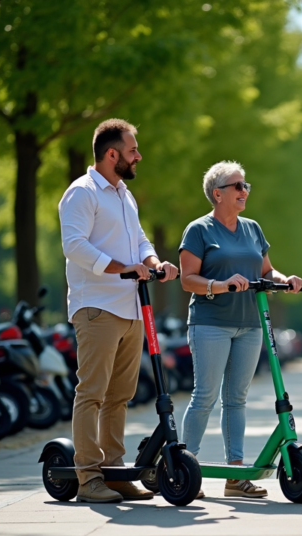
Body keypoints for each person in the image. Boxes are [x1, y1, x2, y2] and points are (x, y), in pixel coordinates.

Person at [59, 119, 179, 504]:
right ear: (112, 154)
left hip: (130, 306)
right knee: (91, 393)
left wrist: (153, 260)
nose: (137, 155)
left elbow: (140, 239)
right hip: (97, 306)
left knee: (120, 396)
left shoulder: (124, 194)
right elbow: (74, 245)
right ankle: (88, 478)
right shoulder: (82, 192)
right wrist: (119, 267)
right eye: (132, 150)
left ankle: (114, 471)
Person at [179, 160, 302, 499]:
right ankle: (183, 469)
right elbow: (187, 279)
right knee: (205, 396)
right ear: (217, 194)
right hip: (210, 323)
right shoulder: (199, 230)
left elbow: (266, 269)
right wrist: (220, 285)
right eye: (237, 186)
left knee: (237, 399)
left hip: (249, 324)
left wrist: (283, 279)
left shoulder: (252, 228)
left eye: (246, 185)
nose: (244, 190)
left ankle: (235, 475)